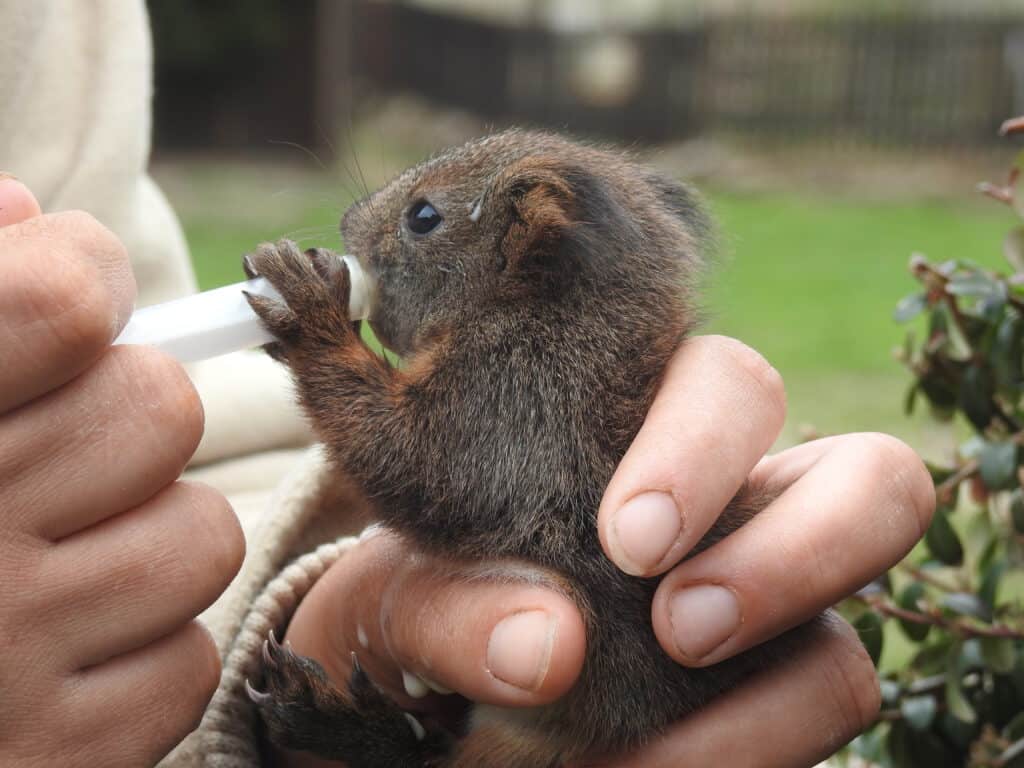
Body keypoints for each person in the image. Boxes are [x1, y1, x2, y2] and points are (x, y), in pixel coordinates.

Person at [0, 2, 934, 766]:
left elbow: (426, 478)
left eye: (422, 221)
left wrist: (322, 343)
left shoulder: (525, 368)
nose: (363, 231)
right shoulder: (535, 372)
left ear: (530, 248)